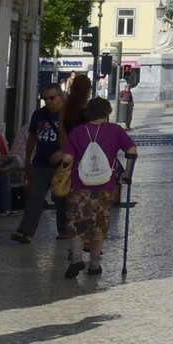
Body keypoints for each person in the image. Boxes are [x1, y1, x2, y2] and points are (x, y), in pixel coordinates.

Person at [61, 98, 137, 279]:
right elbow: (132, 151)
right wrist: (126, 173)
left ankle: (77, 259)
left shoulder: (78, 131)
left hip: (80, 186)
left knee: (77, 223)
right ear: (107, 113)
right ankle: (94, 264)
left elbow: (66, 158)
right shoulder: (115, 130)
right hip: (106, 186)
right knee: (99, 224)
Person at [12, 86, 68, 244]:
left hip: (62, 165)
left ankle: (64, 231)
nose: (49, 101)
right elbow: (32, 138)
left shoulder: (68, 115)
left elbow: (77, 138)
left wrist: (63, 153)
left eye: (52, 98)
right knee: (34, 197)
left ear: (60, 96)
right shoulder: (39, 115)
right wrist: (28, 160)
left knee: (61, 198)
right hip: (40, 163)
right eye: (45, 98)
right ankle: (26, 232)